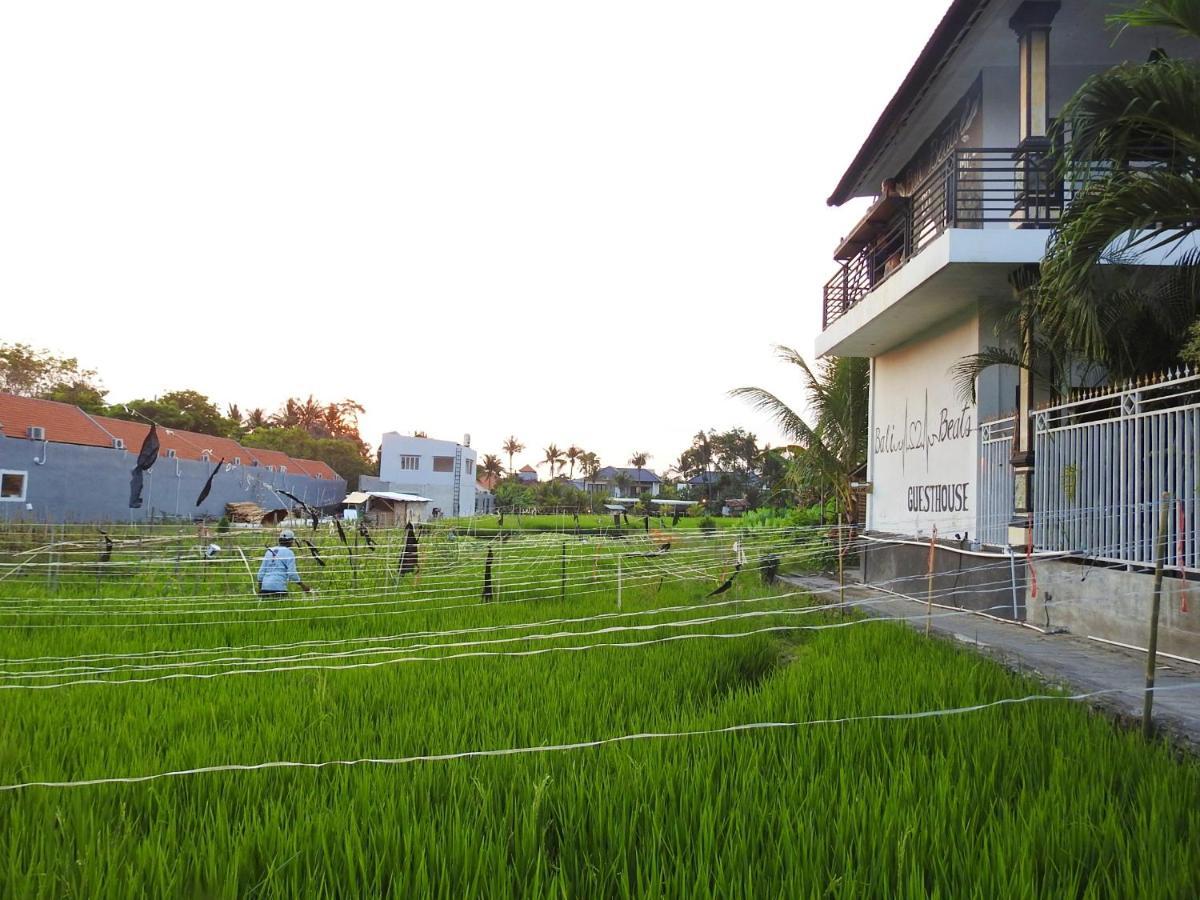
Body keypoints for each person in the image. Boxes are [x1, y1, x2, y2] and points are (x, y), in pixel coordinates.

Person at [256, 529, 312, 599]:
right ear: (291, 541)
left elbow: (261, 573)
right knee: (282, 608)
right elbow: (292, 573)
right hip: (279, 587)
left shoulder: (269, 551)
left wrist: (260, 589)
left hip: (265, 587)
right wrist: (302, 585)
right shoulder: (289, 553)